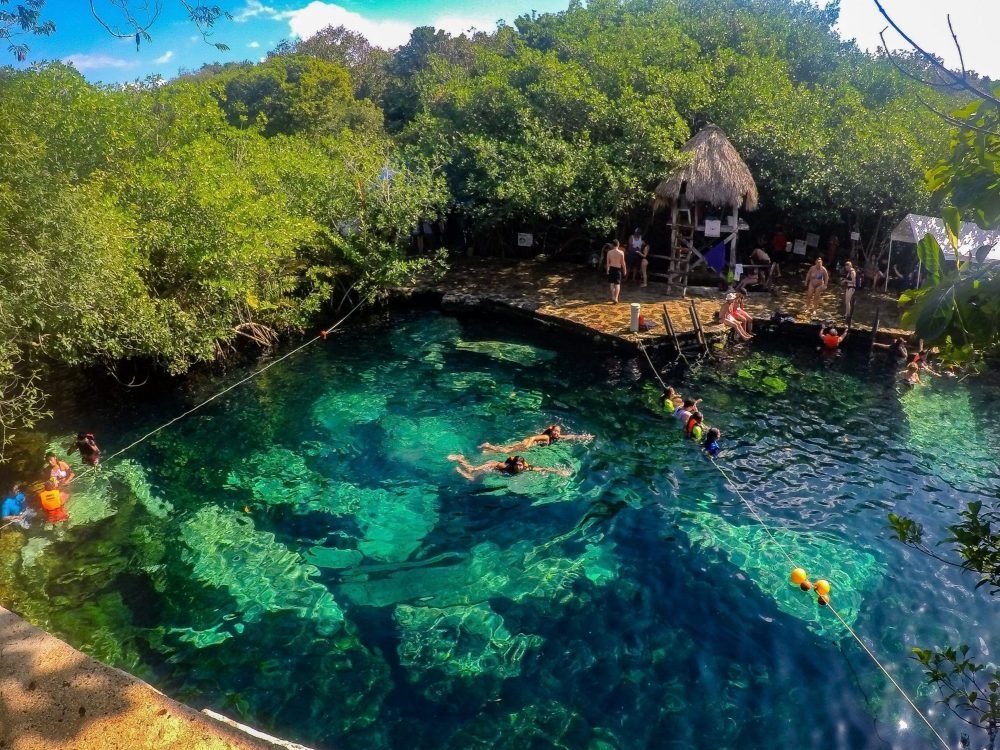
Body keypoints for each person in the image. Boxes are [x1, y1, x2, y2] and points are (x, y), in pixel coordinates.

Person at [479, 424, 593, 453]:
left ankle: (488, 449)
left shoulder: (558, 436)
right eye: (555, 431)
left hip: (529, 443)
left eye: (559, 431)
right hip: (528, 443)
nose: (557, 433)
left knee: (507, 448)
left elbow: (571, 436)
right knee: (507, 451)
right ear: (552, 431)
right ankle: (488, 446)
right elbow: (533, 438)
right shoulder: (546, 436)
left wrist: (583, 437)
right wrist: (527, 445)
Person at [447, 454, 570, 480]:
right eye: (517, 465)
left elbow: (542, 469)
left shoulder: (526, 468)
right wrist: (477, 469)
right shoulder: (506, 465)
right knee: (471, 474)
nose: (519, 467)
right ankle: (460, 459)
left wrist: (558, 471)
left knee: (472, 479)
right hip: (492, 466)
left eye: (520, 465)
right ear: (514, 464)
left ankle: (460, 465)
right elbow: (493, 464)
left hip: (494, 468)